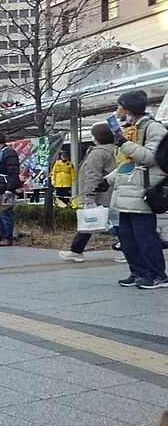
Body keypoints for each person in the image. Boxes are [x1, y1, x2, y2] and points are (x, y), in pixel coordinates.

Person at [109, 89, 167, 289]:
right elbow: (127, 163)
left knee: (145, 237)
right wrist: (107, 180)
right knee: (127, 238)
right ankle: (139, 272)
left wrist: (124, 144)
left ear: (128, 109)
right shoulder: (129, 129)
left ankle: (158, 275)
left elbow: (151, 157)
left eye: (120, 107)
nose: (117, 111)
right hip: (127, 190)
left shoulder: (154, 128)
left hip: (142, 191)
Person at [59, 124, 117, 263]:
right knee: (94, 223)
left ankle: (127, 250)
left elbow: (92, 176)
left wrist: (89, 197)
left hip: (99, 195)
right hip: (111, 193)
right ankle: (76, 250)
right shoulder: (115, 150)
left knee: (99, 223)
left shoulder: (97, 153)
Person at [0, 132, 21, 246]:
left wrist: (9, 189)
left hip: (6, 187)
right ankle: (1, 235)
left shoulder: (10, 153)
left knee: (6, 213)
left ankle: (8, 237)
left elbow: (13, 172)